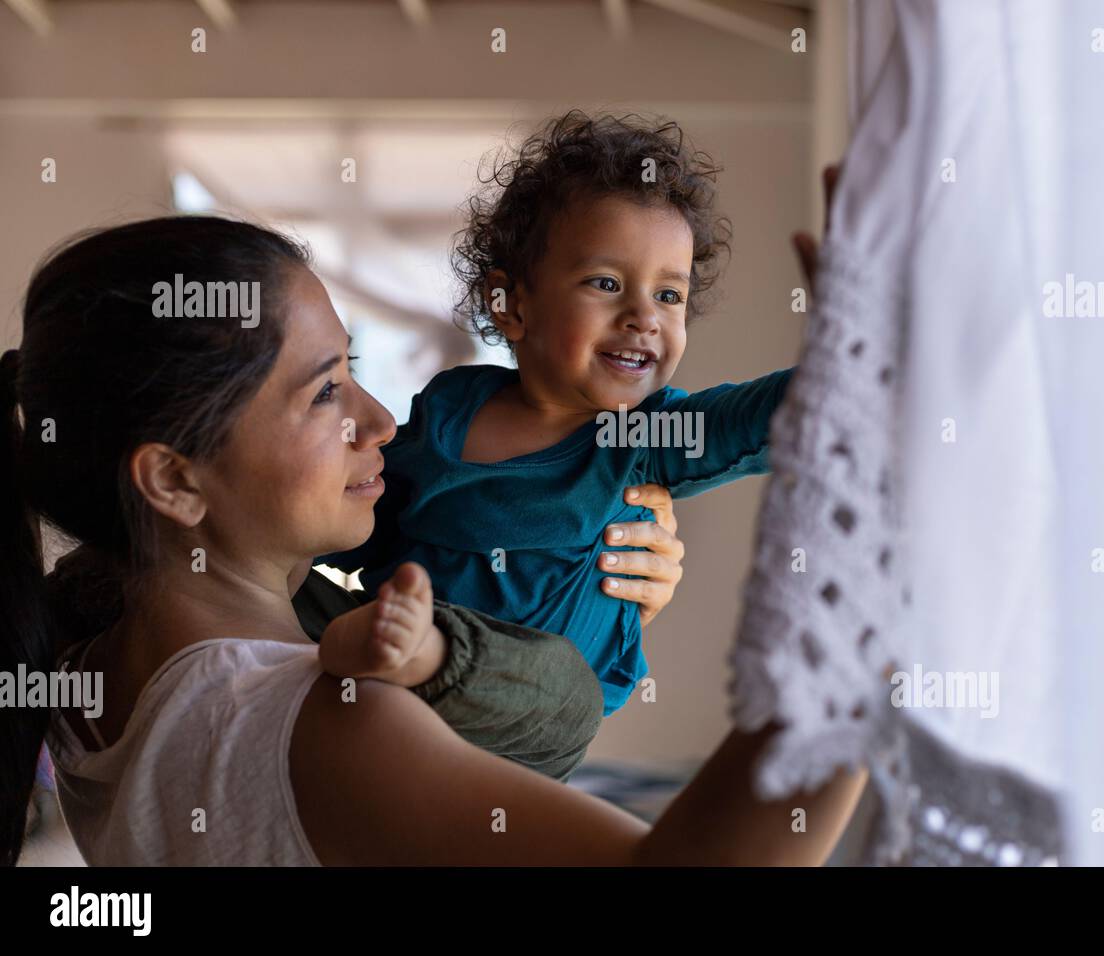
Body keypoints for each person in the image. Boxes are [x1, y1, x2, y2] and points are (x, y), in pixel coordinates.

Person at [1, 213, 865, 867]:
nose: (379, 421)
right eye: (324, 393)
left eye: (357, 372)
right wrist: (869, 602)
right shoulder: (326, 722)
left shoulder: (89, 667)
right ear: (174, 481)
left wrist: (570, 577)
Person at [323, 111, 792, 716]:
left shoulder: (645, 435)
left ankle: (426, 657)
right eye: (605, 283)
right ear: (511, 305)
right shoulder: (451, 407)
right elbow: (360, 511)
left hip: (531, 716)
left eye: (668, 295)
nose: (644, 316)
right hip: (391, 707)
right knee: (303, 604)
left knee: (543, 673)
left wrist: (854, 357)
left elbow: (755, 419)